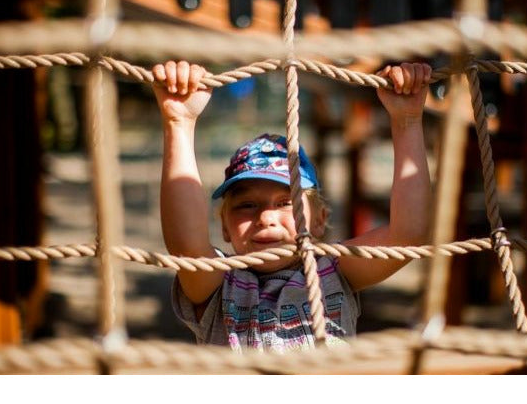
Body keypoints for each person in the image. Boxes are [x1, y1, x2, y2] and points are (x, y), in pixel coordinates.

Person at [152, 60, 432, 352]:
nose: (266, 217)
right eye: (246, 205)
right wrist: (179, 123)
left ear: (320, 220)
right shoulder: (219, 284)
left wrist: (407, 121)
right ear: (224, 225)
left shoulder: (334, 271)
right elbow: (187, 244)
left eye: (287, 203)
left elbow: (407, 234)